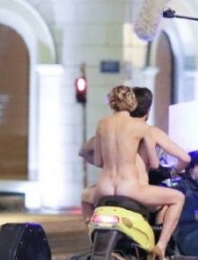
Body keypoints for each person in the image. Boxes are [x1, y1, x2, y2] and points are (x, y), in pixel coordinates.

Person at [92, 85, 185, 260]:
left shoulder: (102, 124)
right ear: (132, 102)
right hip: (129, 188)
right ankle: (161, 247)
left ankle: (96, 242)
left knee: (86, 202)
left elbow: (97, 160)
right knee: (178, 198)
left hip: (104, 188)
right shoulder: (141, 127)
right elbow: (155, 164)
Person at [79, 87, 190, 223]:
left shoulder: (104, 125)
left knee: (85, 196)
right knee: (173, 200)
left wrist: (110, 162)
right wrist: (171, 172)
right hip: (133, 188)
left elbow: (85, 152)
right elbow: (182, 158)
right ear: (147, 110)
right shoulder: (145, 129)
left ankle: (92, 229)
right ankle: (161, 236)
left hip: (105, 187)